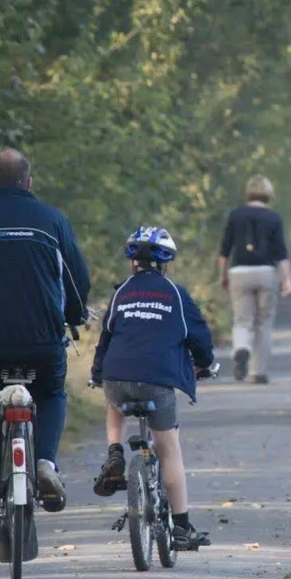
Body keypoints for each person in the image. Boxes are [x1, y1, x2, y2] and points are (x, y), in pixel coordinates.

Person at [0, 148, 90, 535]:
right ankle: (44, 464)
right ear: (30, 182)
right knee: (52, 394)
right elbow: (75, 279)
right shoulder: (52, 219)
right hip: (42, 344)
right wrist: (75, 317)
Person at [90, 226, 216, 550]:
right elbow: (198, 337)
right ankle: (183, 528)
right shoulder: (175, 294)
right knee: (168, 446)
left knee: (114, 401)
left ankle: (115, 451)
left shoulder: (121, 293)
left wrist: (97, 374)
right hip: (157, 381)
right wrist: (204, 364)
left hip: (117, 378)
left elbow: (106, 339)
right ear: (165, 263)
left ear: (133, 262)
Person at [218, 175, 291, 383]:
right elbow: (281, 253)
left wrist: (222, 276)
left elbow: (224, 251)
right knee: (263, 322)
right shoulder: (274, 218)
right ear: (268, 193)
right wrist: (287, 279)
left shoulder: (235, 215)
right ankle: (257, 372)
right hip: (266, 273)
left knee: (242, 320)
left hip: (239, 272)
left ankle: (241, 347)